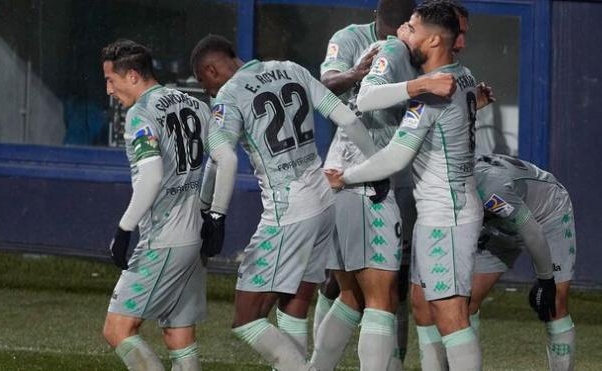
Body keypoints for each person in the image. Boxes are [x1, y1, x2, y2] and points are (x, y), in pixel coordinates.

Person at [190, 34, 381, 371]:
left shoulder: (230, 95)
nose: (207, 91)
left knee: (246, 319)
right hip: (324, 203)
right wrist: (377, 169)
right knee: (293, 306)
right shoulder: (292, 69)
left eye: (203, 82)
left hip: (289, 211)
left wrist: (212, 213)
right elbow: (349, 119)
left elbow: (221, 160)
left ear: (211, 69)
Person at [326, 2, 484, 370]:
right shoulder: (462, 76)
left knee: (450, 315)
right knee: (423, 307)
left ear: (430, 40)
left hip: (447, 214)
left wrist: (345, 177)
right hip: (445, 210)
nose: (401, 33)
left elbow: (395, 155)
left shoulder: (434, 93)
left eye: (409, 28)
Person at [102, 39, 228, 371]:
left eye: (111, 80)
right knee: (179, 333)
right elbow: (221, 161)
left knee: (117, 329)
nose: (108, 90)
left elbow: (151, 177)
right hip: (194, 237)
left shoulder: (140, 114)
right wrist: (212, 212)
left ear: (131, 76)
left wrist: (124, 228)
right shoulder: (196, 104)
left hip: (163, 240)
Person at [471, 153, 576, 371]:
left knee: (554, 302)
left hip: (546, 215)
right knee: (464, 302)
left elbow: (532, 231)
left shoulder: (489, 188)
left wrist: (546, 280)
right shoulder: (446, 183)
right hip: (499, 224)